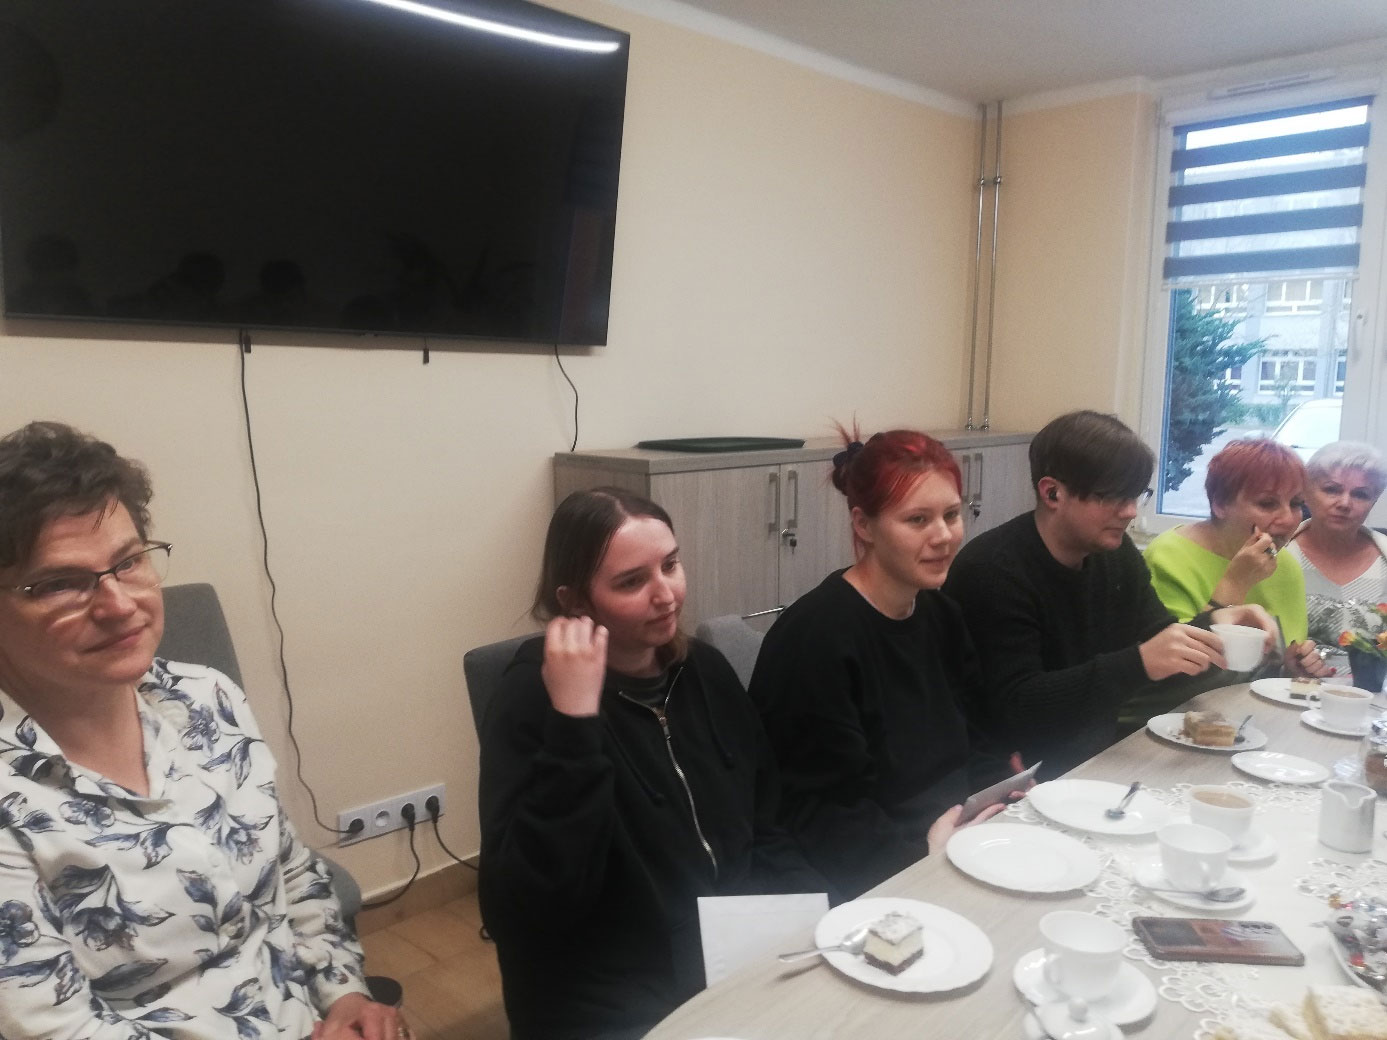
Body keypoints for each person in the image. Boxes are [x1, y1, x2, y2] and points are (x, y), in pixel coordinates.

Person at [0, 422, 397, 1040]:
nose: (119, 605)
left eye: (129, 562)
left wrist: (344, 993)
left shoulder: (206, 697)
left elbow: (291, 870)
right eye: (58, 583)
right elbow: (56, 1030)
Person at [478, 488, 822, 1040]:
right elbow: (528, 908)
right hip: (609, 990)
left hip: (731, 949)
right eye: (631, 581)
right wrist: (575, 723)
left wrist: (815, 914)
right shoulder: (532, 701)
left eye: (671, 565)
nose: (666, 594)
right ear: (575, 600)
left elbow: (766, 823)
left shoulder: (704, 671)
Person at [747, 428, 1014, 902]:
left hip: (957, 841)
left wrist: (1002, 797)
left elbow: (979, 737)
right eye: (917, 519)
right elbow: (822, 813)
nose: (943, 536)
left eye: (951, 515)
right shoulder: (816, 640)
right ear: (864, 525)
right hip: (880, 875)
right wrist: (923, 861)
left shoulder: (941, 614)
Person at [943, 411, 1278, 775]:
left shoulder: (1115, 557)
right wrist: (1138, 663)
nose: (1130, 511)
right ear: (1053, 492)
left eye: (1136, 495)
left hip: (1093, 760)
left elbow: (1163, 645)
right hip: (1010, 777)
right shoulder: (993, 571)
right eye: (1113, 496)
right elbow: (1018, 707)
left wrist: (1218, 623)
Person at [1144, 437, 1329, 678]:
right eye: (1267, 503)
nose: (1288, 519)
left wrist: (1292, 666)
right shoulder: (1168, 557)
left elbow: (1276, 660)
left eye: (1296, 504)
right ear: (1220, 504)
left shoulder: (1285, 564)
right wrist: (1236, 582)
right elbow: (1176, 674)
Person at [1286, 441, 1387, 678]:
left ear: (1373, 501)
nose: (1344, 503)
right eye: (1331, 489)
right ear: (1306, 493)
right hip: (1285, 690)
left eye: (1360, 494)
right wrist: (1285, 664)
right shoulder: (1275, 556)